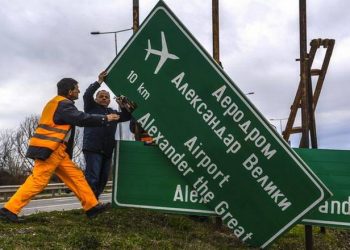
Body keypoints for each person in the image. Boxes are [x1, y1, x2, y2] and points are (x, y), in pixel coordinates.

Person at [0, 76, 118, 223]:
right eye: (76, 88)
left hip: (57, 150)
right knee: (38, 181)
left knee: (76, 177)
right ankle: (9, 210)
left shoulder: (57, 103)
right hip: (50, 149)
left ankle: (92, 206)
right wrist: (105, 118)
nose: (78, 91)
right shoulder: (63, 104)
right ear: (70, 91)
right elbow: (81, 119)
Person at [83, 71, 133, 199]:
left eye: (106, 97)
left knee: (103, 178)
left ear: (110, 100)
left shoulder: (113, 112)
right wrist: (99, 81)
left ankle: (95, 201)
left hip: (107, 150)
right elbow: (87, 94)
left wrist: (123, 106)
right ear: (96, 99)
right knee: (92, 177)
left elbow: (127, 116)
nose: (104, 98)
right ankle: (90, 204)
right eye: (101, 96)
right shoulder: (91, 108)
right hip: (93, 148)